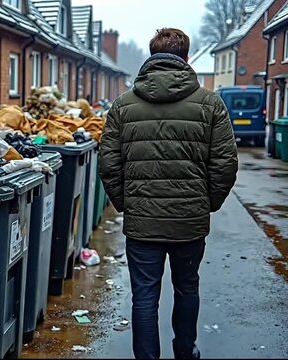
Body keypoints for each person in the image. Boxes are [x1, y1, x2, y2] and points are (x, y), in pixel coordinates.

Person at [98, 28, 238, 359]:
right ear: (187, 58)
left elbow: (108, 164)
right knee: (187, 287)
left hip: (142, 224)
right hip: (189, 223)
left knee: (144, 296)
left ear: (151, 57)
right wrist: (206, 204)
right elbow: (225, 164)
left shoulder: (122, 106)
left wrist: (126, 204)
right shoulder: (210, 104)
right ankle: (185, 352)